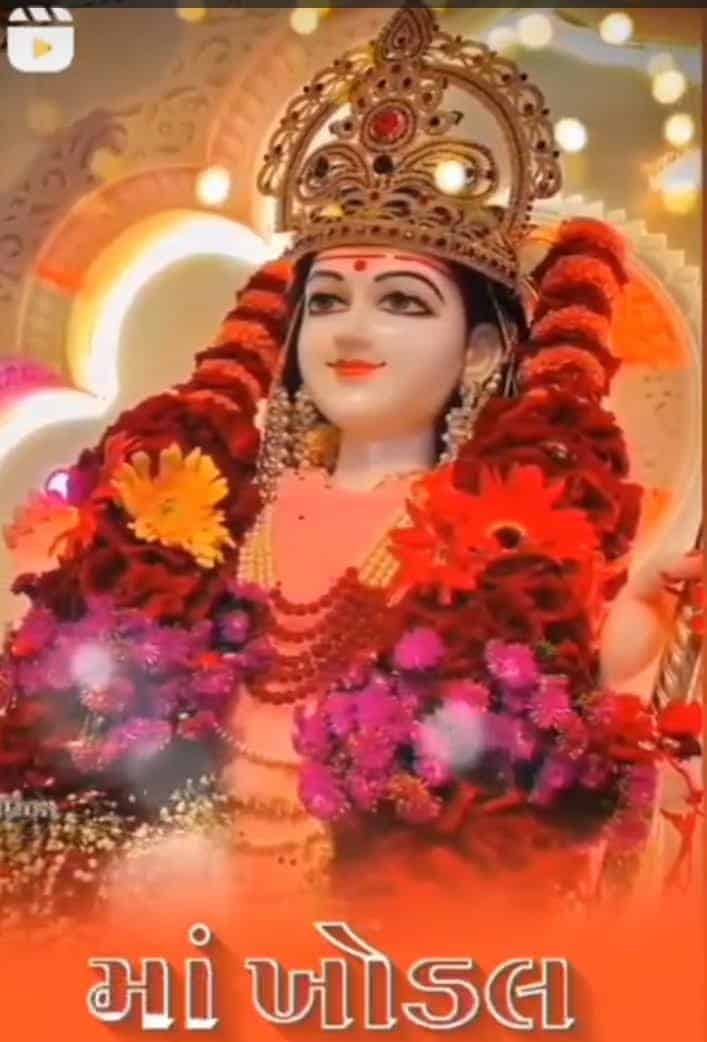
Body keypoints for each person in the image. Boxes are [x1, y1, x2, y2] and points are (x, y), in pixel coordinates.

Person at [0, 6, 702, 923]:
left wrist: (644, 623)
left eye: (402, 303)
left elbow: (560, 760)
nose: (351, 333)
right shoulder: (207, 510)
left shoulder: (506, 539)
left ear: (481, 351)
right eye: (327, 301)